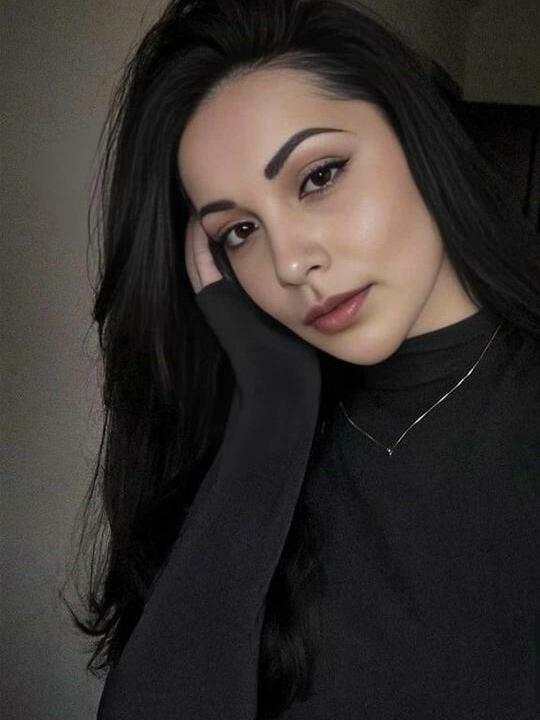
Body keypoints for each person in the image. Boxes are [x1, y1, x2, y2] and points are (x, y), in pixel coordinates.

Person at [64, 0, 540, 717]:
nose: (290, 264)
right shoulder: (250, 448)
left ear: (417, 135)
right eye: (239, 231)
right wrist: (276, 406)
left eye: (318, 176)